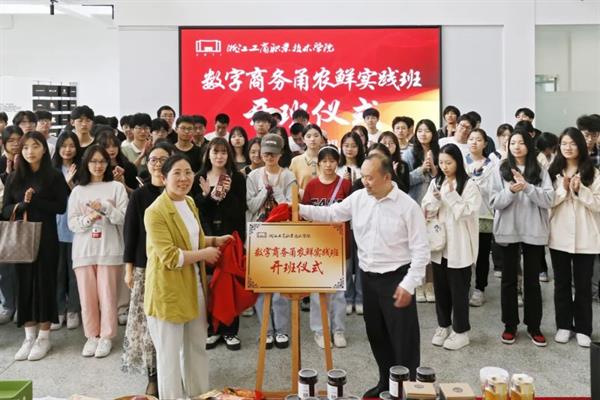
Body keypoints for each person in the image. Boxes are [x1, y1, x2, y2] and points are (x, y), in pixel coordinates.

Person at [299, 153, 429, 396]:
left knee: (404, 340)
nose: (364, 182)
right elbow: (332, 213)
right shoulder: (359, 198)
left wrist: (409, 284)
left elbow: (421, 251)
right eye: (363, 176)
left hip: (397, 279)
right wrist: (297, 209)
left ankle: (407, 390)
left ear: (387, 177)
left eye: (370, 178)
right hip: (368, 279)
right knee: (377, 335)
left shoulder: (407, 206)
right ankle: (385, 383)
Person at [144, 153, 231, 400]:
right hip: (168, 290)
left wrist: (213, 240)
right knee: (169, 356)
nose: (184, 178)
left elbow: (193, 239)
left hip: (194, 285)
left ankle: (200, 395)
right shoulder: (155, 212)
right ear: (163, 178)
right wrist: (205, 253)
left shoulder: (190, 202)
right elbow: (170, 256)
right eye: (177, 173)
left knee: (196, 348)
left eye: (188, 172)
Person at [2, 131, 68, 361]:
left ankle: (44, 337)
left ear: (44, 148)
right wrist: (21, 205)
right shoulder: (13, 177)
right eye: (26, 147)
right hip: (20, 238)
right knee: (24, 285)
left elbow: (60, 207)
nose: (30, 151)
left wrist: (35, 201)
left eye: (35, 146)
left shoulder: (53, 176)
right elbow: (5, 209)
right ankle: (29, 336)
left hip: (46, 237)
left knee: (44, 284)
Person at [490, 128, 554, 347]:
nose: (516, 146)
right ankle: (510, 326)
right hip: (509, 229)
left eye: (521, 142)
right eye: (512, 143)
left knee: (532, 281)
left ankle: (534, 327)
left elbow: (549, 199)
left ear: (529, 145)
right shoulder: (501, 169)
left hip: (533, 230)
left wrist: (527, 187)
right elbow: (494, 202)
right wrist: (511, 191)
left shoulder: (539, 169)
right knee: (508, 280)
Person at [122, 142, 174, 396]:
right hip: (146, 268)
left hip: (175, 266)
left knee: (172, 324)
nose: (157, 164)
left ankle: (173, 372)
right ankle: (153, 377)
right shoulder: (139, 195)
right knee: (148, 327)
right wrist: (129, 269)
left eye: (163, 159)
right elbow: (130, 233)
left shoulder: (179, 194)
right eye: (153, 159)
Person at [68, 145, 128, 358]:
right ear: (86, 163)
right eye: (93, 161)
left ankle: (106, 337)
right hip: (83, 252)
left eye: (102, 161)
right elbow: (72, 223)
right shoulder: (78, 190)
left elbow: (123, 218)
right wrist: (88, 218)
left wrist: (105, 208)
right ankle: (91, 336)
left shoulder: (116, 187)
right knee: (87, 297)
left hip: (109, 250)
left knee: (108, 296)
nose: (98, 165)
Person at [422, 144, 481, 350]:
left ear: (458, 162)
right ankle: (443, 326)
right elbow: (426, 208)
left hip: (460, 246)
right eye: (441, 163)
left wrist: (450, 196)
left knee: (459, 292)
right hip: (439, 246)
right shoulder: (436, 181)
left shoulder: (469, 185)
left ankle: (461, 331)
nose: (444, 167)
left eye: (449, 162)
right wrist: (435, 200)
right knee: (441, 290)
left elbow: (468, 213)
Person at [547, 127, 600, 348]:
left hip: (586, 236)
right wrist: (562, 190)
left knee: (583, 285)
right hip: (559, 234)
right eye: (564, 144)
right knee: (561, 283)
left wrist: (580, 191)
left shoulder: (593, 173)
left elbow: (598, 204)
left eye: (573, 143)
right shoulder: (552, 171)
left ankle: (583, 329)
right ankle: (564, 325)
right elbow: (547, 203)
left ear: (581, 146)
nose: (568, 148)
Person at [195, 137, 247, 351]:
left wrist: (224, 194)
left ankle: (230, 331)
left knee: (228, 285)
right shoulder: (199, 177)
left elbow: (239, 210)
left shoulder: (237, 178)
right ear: (208, 154)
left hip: (230, 238)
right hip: (206, 238)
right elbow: (197, 210)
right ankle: (212, 329)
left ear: (229, 155)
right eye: (215, 152)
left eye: (223, 152)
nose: (219, 156)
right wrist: (208, 196)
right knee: (209, 286)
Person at [246, 133, 296, 349]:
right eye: (266, 153)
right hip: (258, 235)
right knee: (261, 287)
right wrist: (263, 191)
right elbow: (251, 206)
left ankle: (282, 330)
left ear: (280, 154)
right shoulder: (253, 176)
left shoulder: (288, 176)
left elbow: (291, 206)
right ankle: (265, 329)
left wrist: (273, 189)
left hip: (282, 236)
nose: (269, 157)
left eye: (273, 153)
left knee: (280, 287)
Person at [302, 145, 352, 349]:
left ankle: (338, 330)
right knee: (317, 292)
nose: (328, 165)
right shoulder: (312, 185)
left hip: (340, 244)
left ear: (337, 163)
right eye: (324, 161)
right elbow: (304, 214)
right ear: (319, 163)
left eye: (332, 161)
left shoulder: (345, 185)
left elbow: (351, 213)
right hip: (317, 245)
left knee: (339, 292)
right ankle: (320, 330)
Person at [404, 119, 440, 303]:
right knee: (417, 248)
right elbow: (404, 180)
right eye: (420, 131)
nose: (423, 134)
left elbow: (444, 177)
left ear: (433, 133)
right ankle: (418, 284)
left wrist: (433, 169)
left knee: (433, 247)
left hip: (436, 207)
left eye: (427, 130)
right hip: (415, 205)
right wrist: (421, 170)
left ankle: (430, 284)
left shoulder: (440, 151)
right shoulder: (409, 154)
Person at [50, 131, 83, 331]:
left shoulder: (82, 169)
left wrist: (70, 184)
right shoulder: (51, 169)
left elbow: (84, 198)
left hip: (76, 229)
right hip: (54, 227)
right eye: (64, 146)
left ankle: (73, 310)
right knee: (57, 271)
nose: (68, 149)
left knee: (74, 271)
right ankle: (59, 309)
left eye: (71, 145)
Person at [465, 128, 498, 307]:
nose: (474, 142)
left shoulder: (492, 165)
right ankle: (464, 286)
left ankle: (480, 288)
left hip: (484, 214)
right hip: (463, 216)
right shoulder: (461, 162)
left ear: (485, 143)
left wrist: (477, 183)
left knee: (482, 254)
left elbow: (494, 190)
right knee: (464, 252)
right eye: (471, 139)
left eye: (478, 139)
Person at [337, 132, 365, 315]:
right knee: (346, 264)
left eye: (353, 145)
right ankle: (347, 297)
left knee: (362, 261)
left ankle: (361, 297)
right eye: (346, 145)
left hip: (362, 222)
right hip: (343, 223)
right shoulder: (337, 169)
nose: (349, 149)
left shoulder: (365, 168)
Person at [290, 124, 325, 197]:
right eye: (308, 136)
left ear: (321, 138)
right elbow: (291, 186)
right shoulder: (295, 161)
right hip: (302, 201)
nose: (312, 139)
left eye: (316, 136)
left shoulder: (328, 160)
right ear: (303, 139)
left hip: (325, 201)